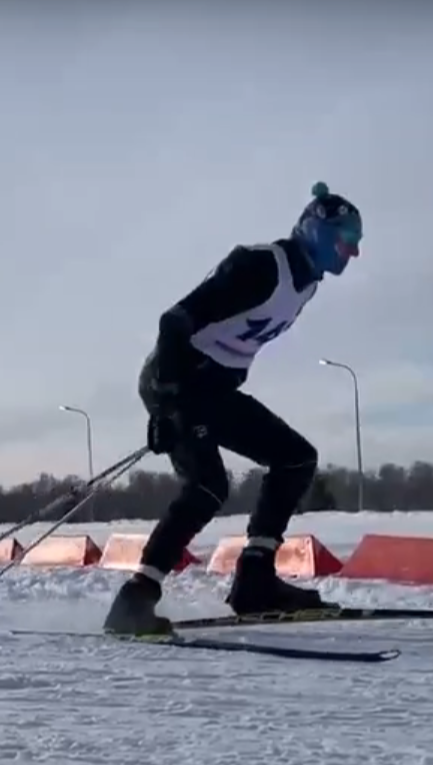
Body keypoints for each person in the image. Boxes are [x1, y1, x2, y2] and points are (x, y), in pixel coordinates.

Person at [102, 182, 362, 636]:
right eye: (347, 240)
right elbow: (173, 322)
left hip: (214, 388)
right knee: (208, 486)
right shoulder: (261, 266)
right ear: (319, 232)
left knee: (295, 458)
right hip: (178, 378)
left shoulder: (309, 284)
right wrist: (165, 404)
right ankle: (134, 600)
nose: (352, 253)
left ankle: (255, 581)